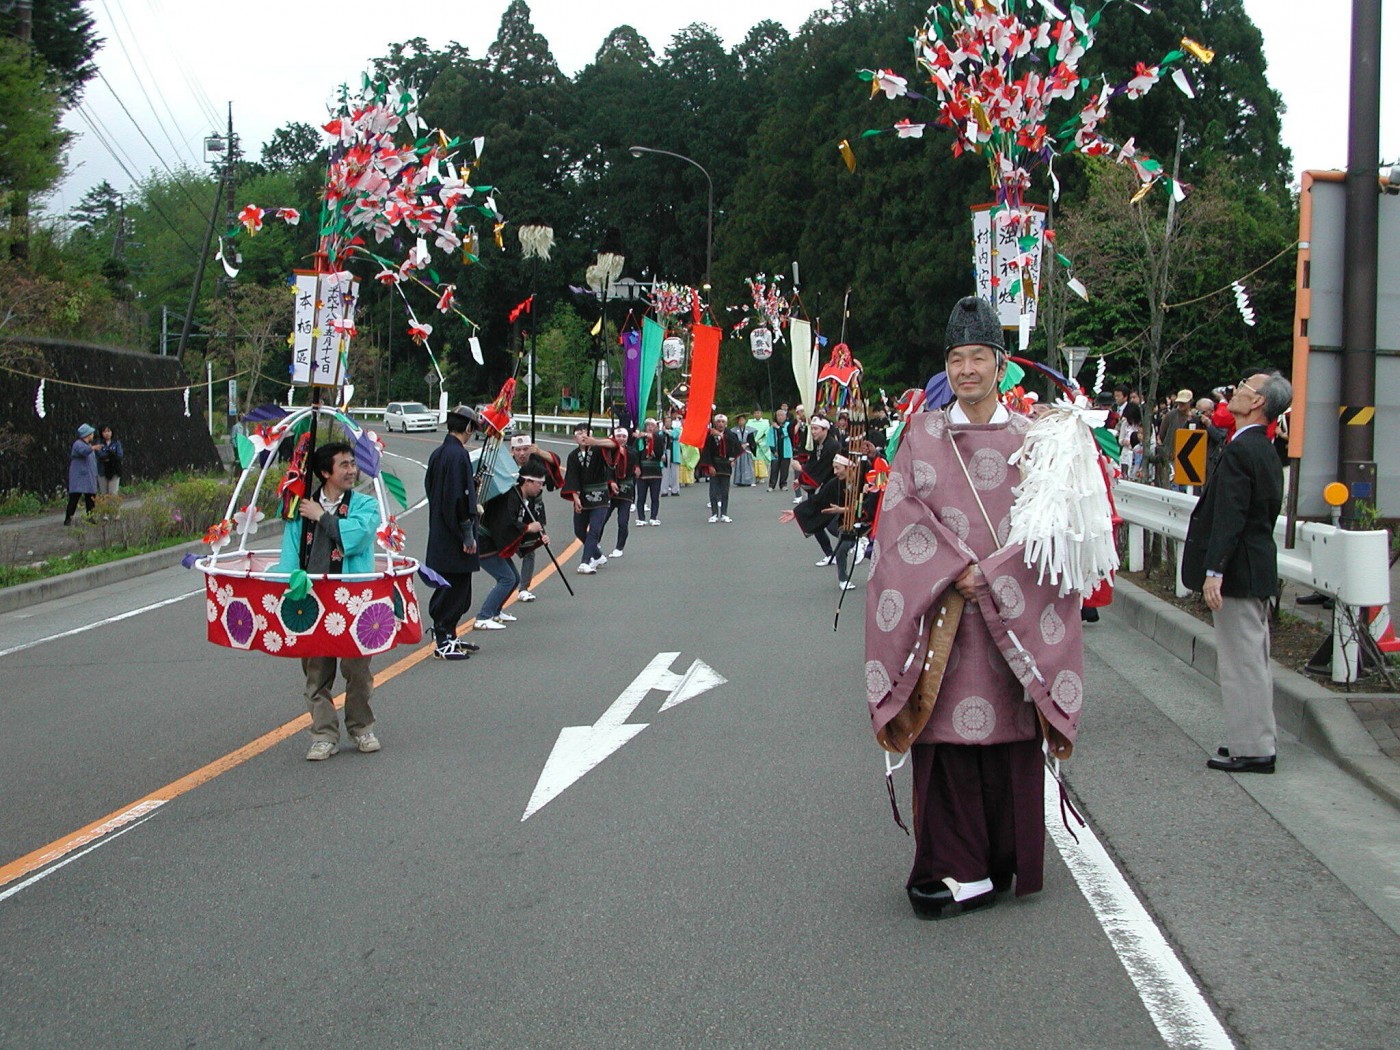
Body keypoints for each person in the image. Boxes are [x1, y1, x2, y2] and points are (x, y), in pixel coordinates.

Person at [865, 295, 1091, 920]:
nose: (967, 370)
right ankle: (955, 867)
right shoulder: (922, 433)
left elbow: (1049, 531)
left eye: (979, 358)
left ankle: (1000, 862)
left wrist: (992, 575)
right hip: (943, 619)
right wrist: (953, 572)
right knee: (948, 741)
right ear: (947, 367)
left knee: (1007, 736)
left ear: (1000, 364)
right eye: (957, 359)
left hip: (1012, 621)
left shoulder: (1031, 442)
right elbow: (902, 513)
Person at [1183, 370, 1292, 775]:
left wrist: (1215, 570)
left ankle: (1255, 748)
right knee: (1251, 658)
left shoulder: (1243, 450)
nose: (1235, 393)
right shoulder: (1261, 449)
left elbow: (1231, 515)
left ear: (1259, 401)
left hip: (1239, 570)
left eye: (1244, 388)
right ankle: (1254, 737)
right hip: (1254, 566)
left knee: (1241, 660)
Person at [276, 442, 382, 760]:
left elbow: (359, 535)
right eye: (344, 465)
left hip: (353, 599)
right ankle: (323, 734)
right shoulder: (301, 509)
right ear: (325, 472)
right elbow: (289, 556)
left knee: (358, 671)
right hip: (313, 598)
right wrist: (287, 586)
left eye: (353, 464)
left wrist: (322, 516)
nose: (352, 470)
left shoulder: (364, 505)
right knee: (316, 673)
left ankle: (362, 728)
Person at [423, 406, 481, 660]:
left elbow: (435, 489)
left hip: (440, 529)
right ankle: (443, 638)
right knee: (454, 587)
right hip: (456, 534)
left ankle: (450, 634)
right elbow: (459, 497)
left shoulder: (439, 454)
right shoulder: (458, 456)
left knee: (454, 585)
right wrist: (467, 533)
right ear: (467, 427)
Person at [474, 461, 549, 629]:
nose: (541, 487)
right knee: (506, 579)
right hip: (484, 541)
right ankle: (483, 617)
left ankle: (496, 611)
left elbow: (517, 527)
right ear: (527, 481)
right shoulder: (510, 496)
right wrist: (529, 528)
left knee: (514, 578)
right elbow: (505, 525)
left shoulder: (519, 497)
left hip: (492, 541)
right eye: (539, 483)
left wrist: (538, 536)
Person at [509, 436, 563, 602]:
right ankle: (505, 581)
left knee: (530, 549)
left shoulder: (537, 460)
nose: (522, 453)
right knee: (505, 548)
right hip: (512, 510)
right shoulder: (507, 465)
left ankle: (524, 587)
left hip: (533, 510)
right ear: (512, 451)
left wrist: (538, 451)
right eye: (518, 450)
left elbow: (556, 462)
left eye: (525, 449)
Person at [563, 422, 612, 573]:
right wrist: (575, 497)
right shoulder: (573, 456)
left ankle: (585, 562)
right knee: (579, 531)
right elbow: (571, 477)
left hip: (600, 496)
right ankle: (597, 556)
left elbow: (614, 445)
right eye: (579, 434)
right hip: (582, 496)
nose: (582, 437)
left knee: (595, 529)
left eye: (586, 433)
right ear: (574, 438)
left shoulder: (599, 450)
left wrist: (595, 442)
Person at [698, 413, 742, 522]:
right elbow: (706, 452)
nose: (720, 424)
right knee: (713, 491)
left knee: (724, 492)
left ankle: (724, 513)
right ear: (715, 423)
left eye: (723, 422)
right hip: (714, 464)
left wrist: (721, 436)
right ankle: (714, 514)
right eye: (718, 422)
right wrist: (709, 466)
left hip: (725, 465)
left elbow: (736, 446)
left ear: (726, 424)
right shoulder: (710, 435)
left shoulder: (730, 434)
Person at [606, 426, 634, 558]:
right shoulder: (607, 451)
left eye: (624, 436)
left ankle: (619, 547)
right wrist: (611, 481)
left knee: (623, 521)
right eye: (618, 436)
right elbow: (607, 469)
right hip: (610, 492)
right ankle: (595, 543)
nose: (621, 439)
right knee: (601, 520)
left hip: (626, 491)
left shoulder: (632, 452)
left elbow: (634, 470)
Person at [632, 419, 666, 526]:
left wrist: (651, 439)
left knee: (655, 497)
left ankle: (653, 517)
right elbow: (634, 454)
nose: (650, 427)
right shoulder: (640, 440)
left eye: (652, 425)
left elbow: (660, 453)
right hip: (642, 471)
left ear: (656, 428)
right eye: (648, 425)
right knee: (641, 497)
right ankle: (641, 518)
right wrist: (636, 466)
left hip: (655, 471)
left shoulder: (659, 438)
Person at [65, 424, 99, 525]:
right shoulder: (78, 444)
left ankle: (90, 516)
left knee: (90, 498)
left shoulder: (88, 446)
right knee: (74, 498)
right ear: (87, 434)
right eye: (91, 433)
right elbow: (83, 452)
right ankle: (68, 518)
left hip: (89, 475)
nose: (93, 435)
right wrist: (93, 448)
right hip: (79, 476)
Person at [767, 407, 794, 493]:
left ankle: (783, 484)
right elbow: (770, 438)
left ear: (785, 416)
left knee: (784, 468)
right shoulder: (772, 427)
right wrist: (773, 450)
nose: (780, 417)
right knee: (774, 468)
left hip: (785, 450)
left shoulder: (788, 425)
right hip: (776, 450)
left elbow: (785, 434)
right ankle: (772, 485)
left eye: (782, 415)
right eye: (778, 415)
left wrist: (778, 428)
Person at [95, 425, 124, 497]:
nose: (107, 433)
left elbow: (119, 455)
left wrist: (108, 455)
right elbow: (100, 455)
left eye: (108, 431)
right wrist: (111, 454)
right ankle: (105, 508)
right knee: (104, 494)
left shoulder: (116, 443)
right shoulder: (99, 443)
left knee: (113, 493)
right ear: (101, 433)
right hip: (102, 470)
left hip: (114, 470)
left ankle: (113, 508)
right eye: (104, 431)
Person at [732, 412, 756, 486]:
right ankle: (739, 481)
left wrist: (747, 444)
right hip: (738, 450)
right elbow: (733, 440)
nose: (741, 422)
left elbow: (752, 440)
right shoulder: (734, 430)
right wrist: (739, 445)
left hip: (747, 450)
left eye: (742, 420)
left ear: (745, 421)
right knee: (738, 465)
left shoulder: (749, 430)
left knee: (748, 465)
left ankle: (749, 481)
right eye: (740, 420)